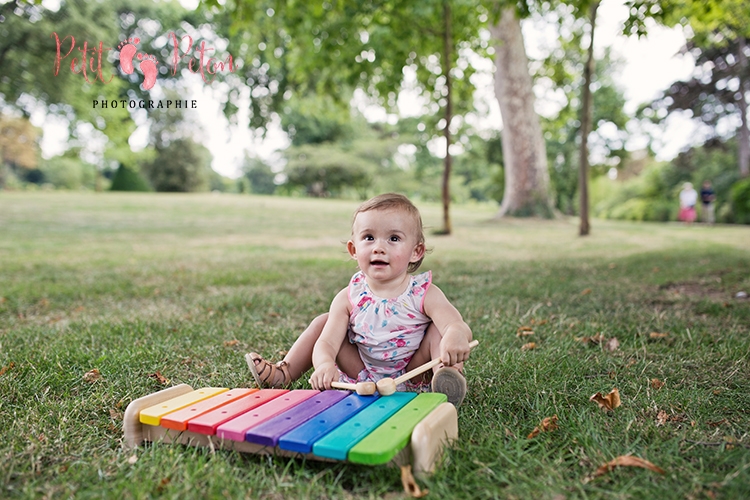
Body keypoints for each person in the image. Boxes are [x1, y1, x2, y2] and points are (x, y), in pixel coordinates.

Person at [246, 193, 474, 406]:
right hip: (361, 372)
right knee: (323, 322)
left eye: (393, 238)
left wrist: (455, 335)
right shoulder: (348, 297)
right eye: (369, 237)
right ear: (353, 249)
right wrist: (325, 364)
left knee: (439, 330)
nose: (379, 248)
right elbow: (326, 343)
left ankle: (448, 375)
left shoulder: (424, 292)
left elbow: (456, 324)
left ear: (416, 251)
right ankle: (284, 374)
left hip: (415, 372)